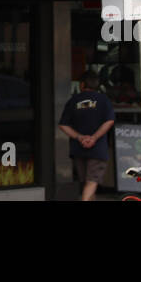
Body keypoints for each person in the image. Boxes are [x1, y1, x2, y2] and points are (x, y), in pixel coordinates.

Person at [59, 70, 115, 201]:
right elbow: (110, 121)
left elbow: (63, 125)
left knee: (87, 183)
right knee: (91, 183)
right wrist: (94, 138)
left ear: (82, 85)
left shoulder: (73, 100)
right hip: (97, 150)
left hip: (78, 150)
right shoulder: (103, 100)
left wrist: (80, 138)